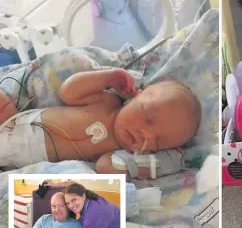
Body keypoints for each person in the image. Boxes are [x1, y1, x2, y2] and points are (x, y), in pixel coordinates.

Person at [0, 68, 201, 179]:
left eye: (158, 141)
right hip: (12, 122)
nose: (145, 135)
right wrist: (107, 78)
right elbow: (68, 91)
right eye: (147, 118)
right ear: (133, 97)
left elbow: (104, 167)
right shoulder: (106, 102)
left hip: (14, 165)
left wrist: (154, 164)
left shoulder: (119, 153)